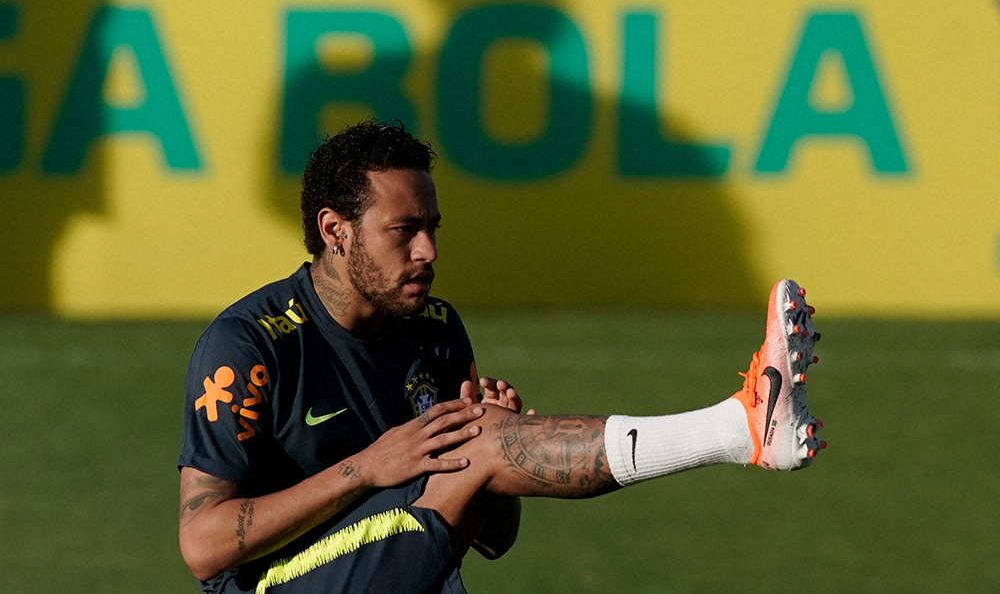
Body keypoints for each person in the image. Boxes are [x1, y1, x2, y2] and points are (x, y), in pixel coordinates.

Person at [177, 119, 826, 594]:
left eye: (433, 227)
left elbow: (495, 539)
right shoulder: (247, 345)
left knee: (484, 437)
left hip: (405, 572)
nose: (428, 251)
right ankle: (737, 428)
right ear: (334, 230)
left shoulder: (435, 330)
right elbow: (203, 546)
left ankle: (743, 427)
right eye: (404, 231)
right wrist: (367, 468)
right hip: (274, 584)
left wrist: (504, 441)